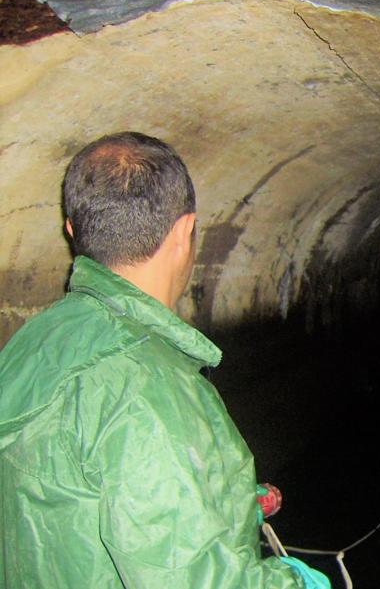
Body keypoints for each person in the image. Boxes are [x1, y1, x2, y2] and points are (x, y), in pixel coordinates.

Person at [0, 133, 329, 588]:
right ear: (183, 231)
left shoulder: (34, 340)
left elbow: (60, 489)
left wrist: (220, 497)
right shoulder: (147, 386)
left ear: (73, 230)